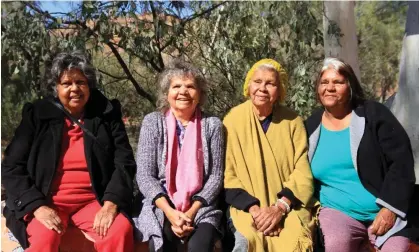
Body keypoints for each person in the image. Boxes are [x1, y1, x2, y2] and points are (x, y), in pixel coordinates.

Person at [1, 51, 136, 252]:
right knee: (44, 239)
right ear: (56, 88)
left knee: (118, 230)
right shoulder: (37, 115)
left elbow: (124, 162)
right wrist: (37, 206)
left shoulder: (106, 113)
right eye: (66, 84)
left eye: (81, 82)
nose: (75, 89)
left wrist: (110, 204)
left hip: (94, 201)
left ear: (89, 85)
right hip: (47, 201)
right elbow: (12, 166)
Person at [305, 57, 416, 252]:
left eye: (338, 82)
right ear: (317, 89)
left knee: (397, 249)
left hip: (384, 210)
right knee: (336, 243)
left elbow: (401, 161)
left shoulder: (373, 114)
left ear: (350, 87)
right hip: (337, 211)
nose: (330, 88)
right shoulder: (310, 126)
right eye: (324, 82)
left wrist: (390, 208)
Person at [223, 59, 315, 252]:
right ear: (248, 86)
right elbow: (228, 175)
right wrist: (258, 212)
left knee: (296, 242)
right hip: (247, 209)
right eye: (257, 81)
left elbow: (302, 171)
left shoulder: (293, 121)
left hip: (288, 207)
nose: (262, 88)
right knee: (245, 241)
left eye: (270, 83)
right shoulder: (233, 120)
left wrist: (279, 209)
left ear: (279, 91)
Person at [133, 61, 224, 252]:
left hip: (201, 208)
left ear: (200, 94)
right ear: (167, 93)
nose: (183, 91)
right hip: (161, 205)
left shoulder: (212, 125)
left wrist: (191, 212)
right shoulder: (153, 122)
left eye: (190, 86)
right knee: (160, 242)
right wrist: (171, 213)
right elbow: (145, 175)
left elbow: (215, 176)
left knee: (201, 246)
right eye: (176, 86)